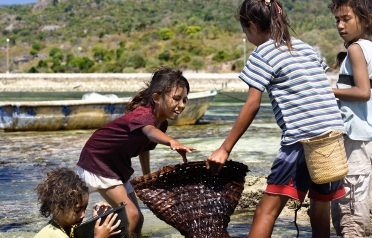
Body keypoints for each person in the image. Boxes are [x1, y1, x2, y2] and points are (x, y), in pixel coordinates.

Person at [206, 0, 346, 237]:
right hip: (331, 135)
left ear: (251, 25)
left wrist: (224, 148)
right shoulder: (305, 47)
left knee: (266, 210)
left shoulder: (263, 53)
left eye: (245, 31)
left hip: (302, 139)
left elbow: (252, 104)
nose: (248, 36)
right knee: (319, 207)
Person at [76, 66, 196, 237]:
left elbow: (144, 148)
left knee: (138, 219)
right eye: (176, 98)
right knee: (130, 215)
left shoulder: (161, 124)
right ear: (156, 97)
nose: (181, 105)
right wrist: (171, 141)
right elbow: (149, 132)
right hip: (98, 161)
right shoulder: (144, 115)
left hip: (117, 167)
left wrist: (147, 178)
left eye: (185, 100)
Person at [328, 0, 372, 236]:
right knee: (360, 199)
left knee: (350, 209)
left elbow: (363, 92)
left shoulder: (356, 48)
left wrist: (326, 91)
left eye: (347, 19)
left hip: (356, 138)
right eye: (337, 19)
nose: (341, 25)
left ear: (367, 20)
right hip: (367, 136)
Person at [34, 167, 121, 238]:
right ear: (56, 207)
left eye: (85, 208)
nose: (83, 215)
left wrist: (96, 221)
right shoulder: (55, 235)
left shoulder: (67, 228)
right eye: (77, 210)